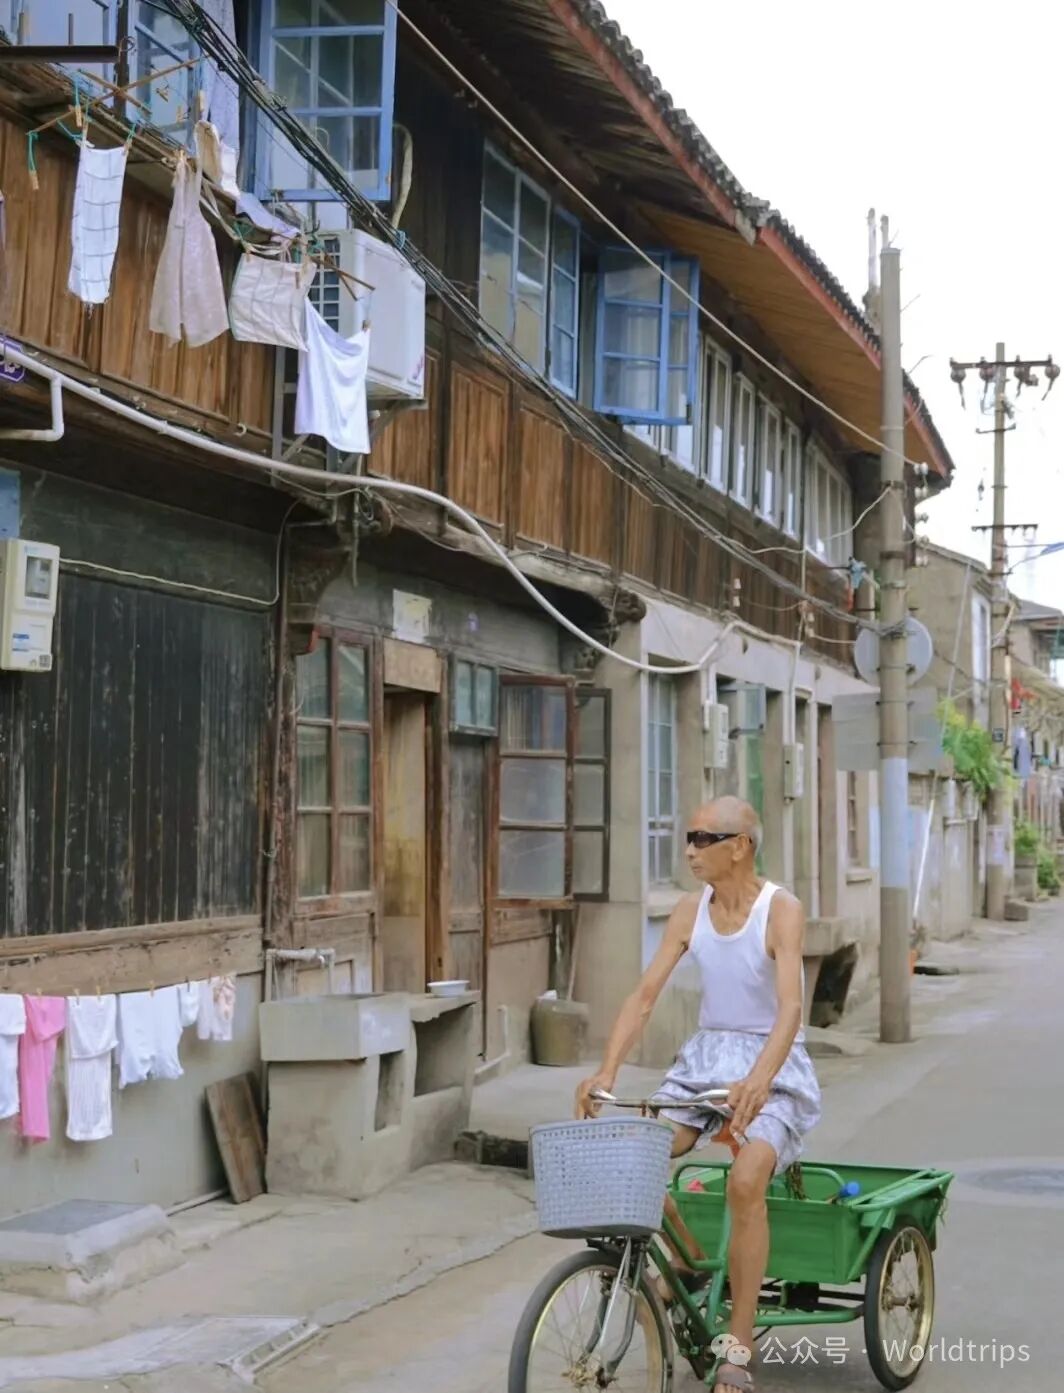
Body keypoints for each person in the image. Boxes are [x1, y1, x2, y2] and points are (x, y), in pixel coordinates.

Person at [575, 796, 821, 1393]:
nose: (690, 850)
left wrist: (760, 1078)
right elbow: (644, 997)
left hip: (772, 1062)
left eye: (703, 839)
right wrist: (606, 1072)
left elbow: (790, 1007)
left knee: (746, 1181)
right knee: (637, 1155)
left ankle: (737, 1347)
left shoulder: (780, 909)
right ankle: (687, 1259)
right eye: (689, 837)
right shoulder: (690, 911)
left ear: (740, 846)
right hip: (706, 1059)